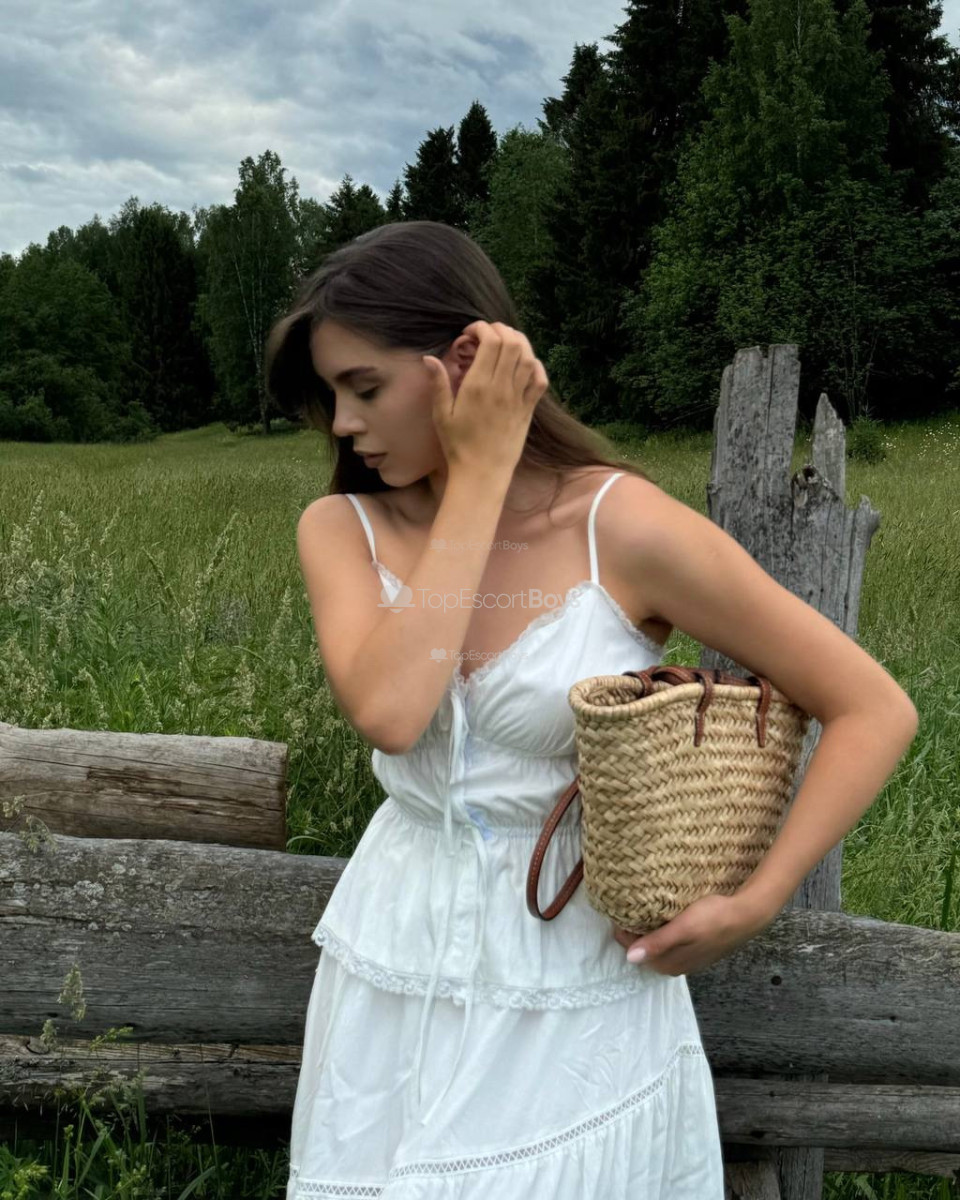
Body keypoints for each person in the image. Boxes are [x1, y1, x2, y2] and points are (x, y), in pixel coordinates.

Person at [265, 220, 918, 1197]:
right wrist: (479, 478)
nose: (344, 424)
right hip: (394, 951)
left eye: (363, 387)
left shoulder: (620, 525)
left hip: (574, 974)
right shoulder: (342, 527)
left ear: (466, 362)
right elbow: (394, 710)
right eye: (331, 397)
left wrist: (756, 902)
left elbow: (872, 706)